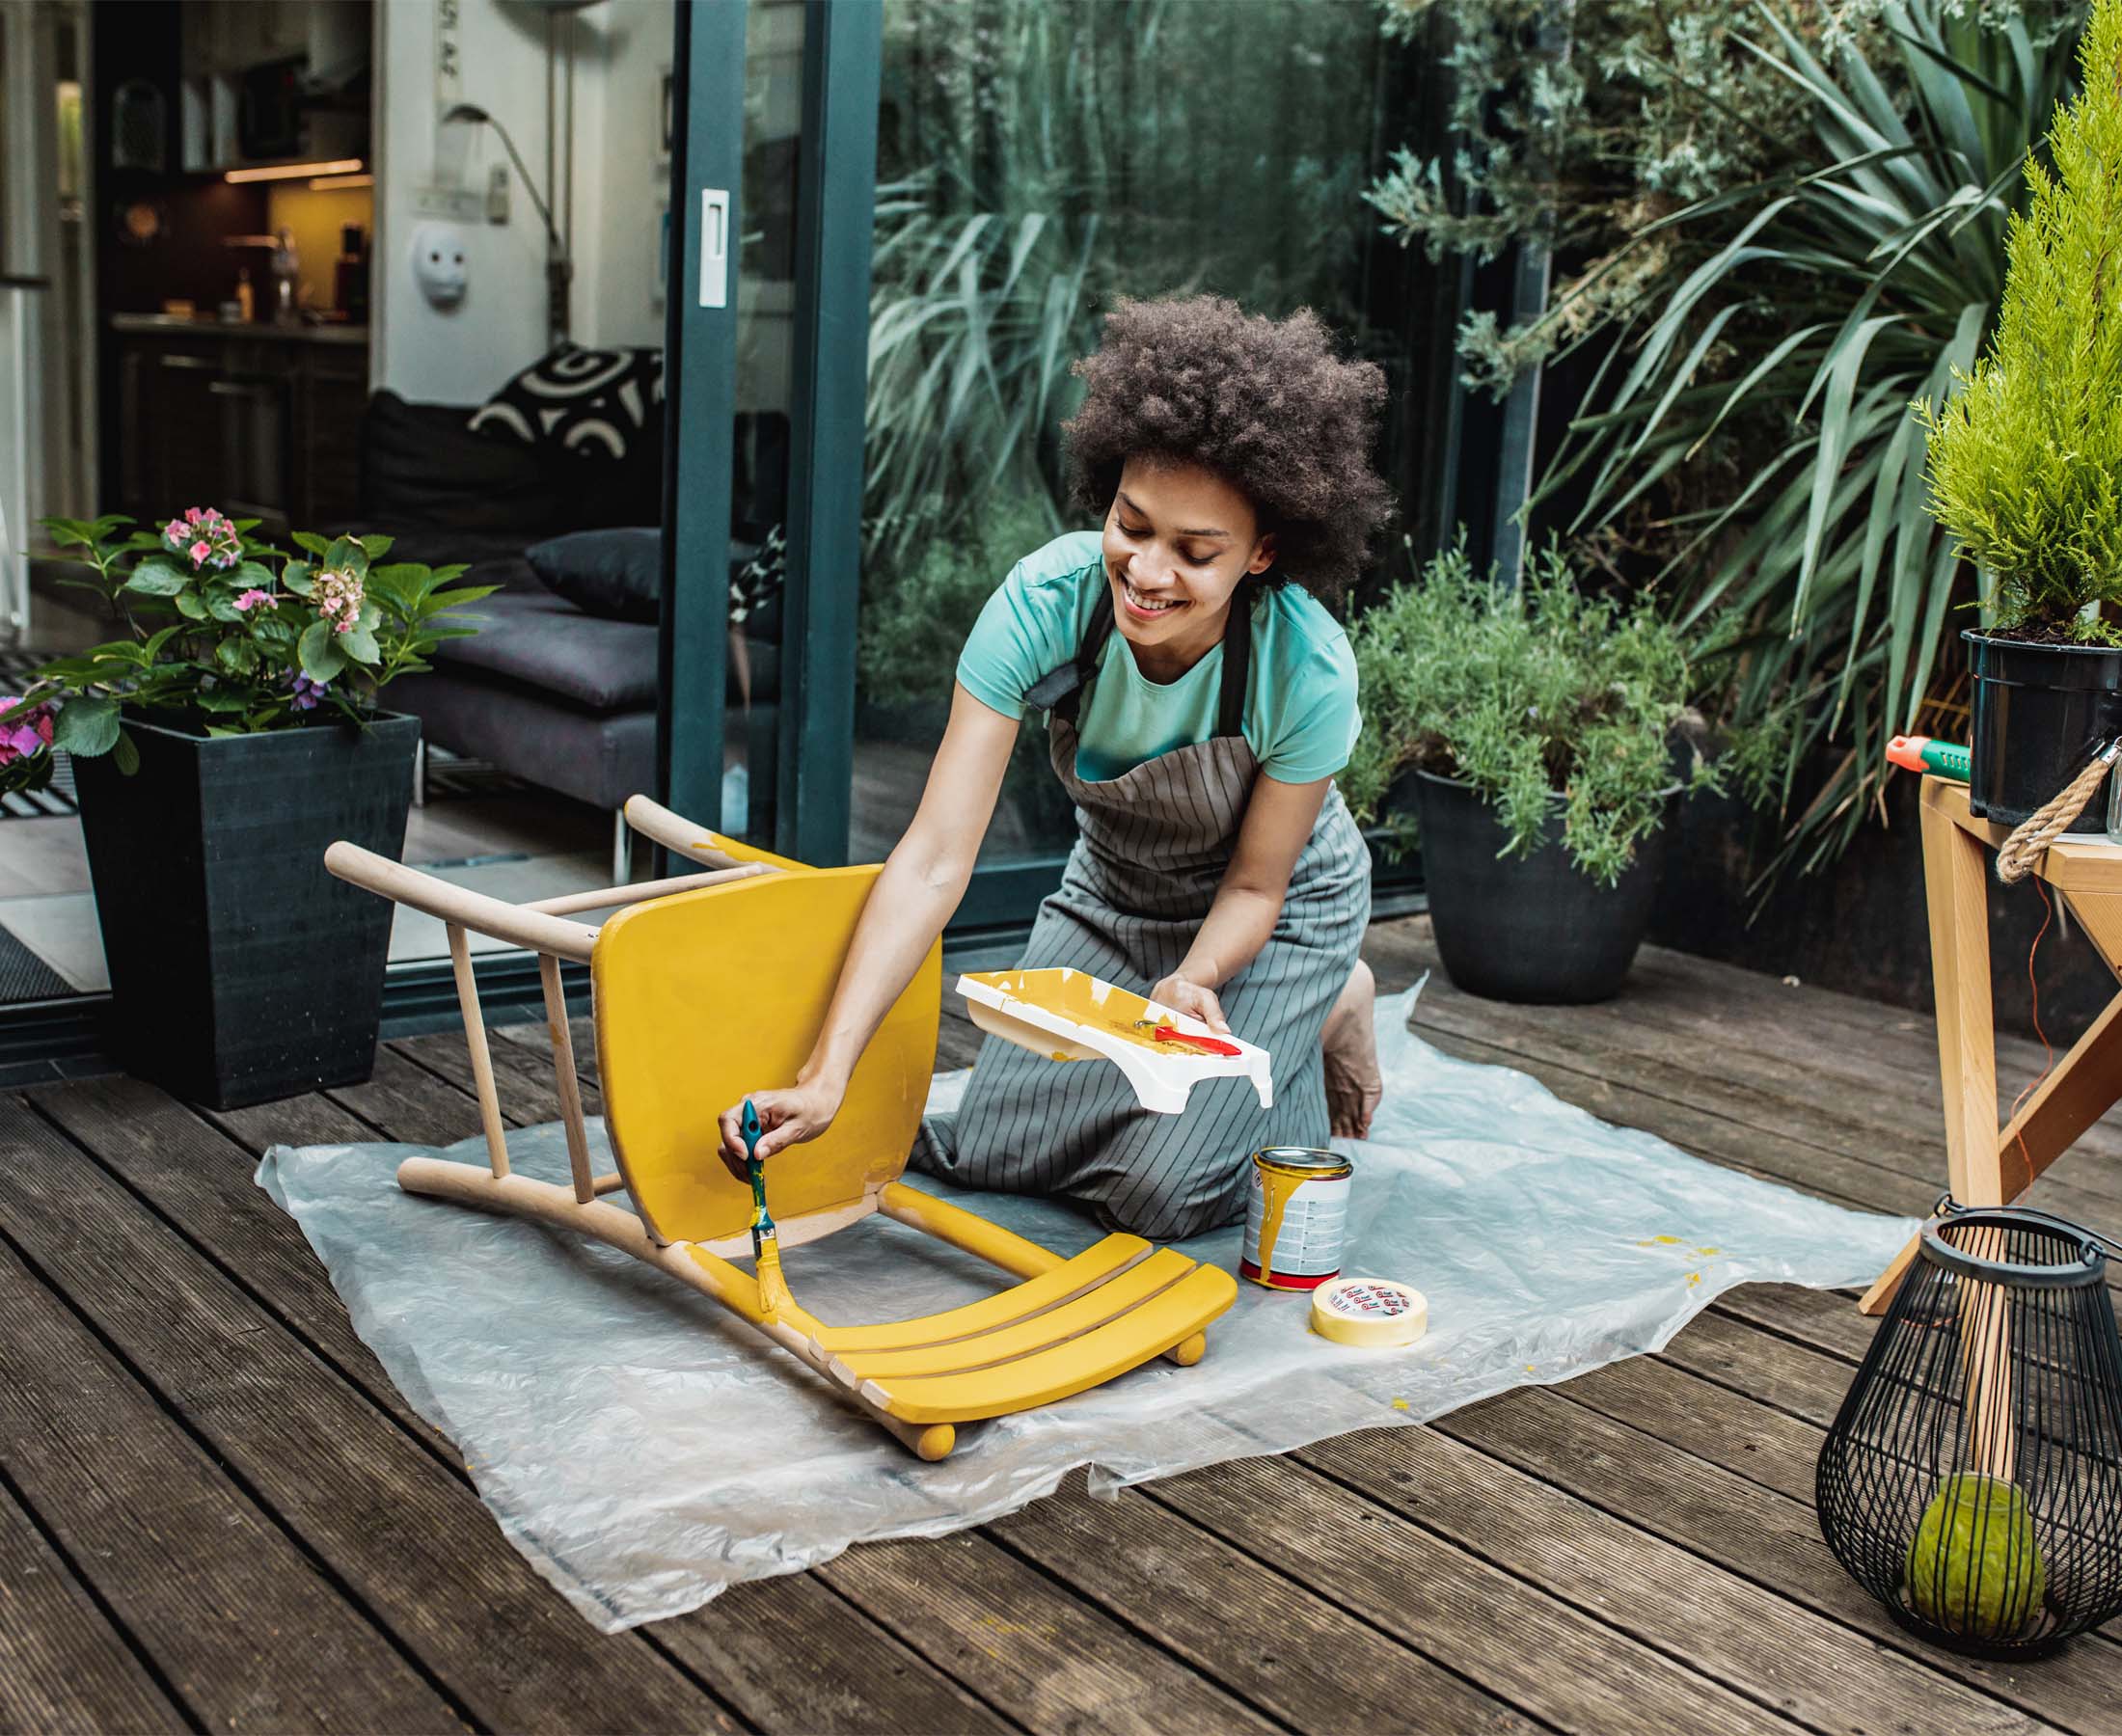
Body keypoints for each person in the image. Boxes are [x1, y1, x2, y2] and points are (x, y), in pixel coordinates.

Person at [718, 295, 1393, 1239]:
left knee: (1164, 1193)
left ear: (1262, 553)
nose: (1148, 573)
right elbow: (933, 860)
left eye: (1195, 552)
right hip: (1114, 894)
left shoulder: (1304, 668)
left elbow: (1254, 882)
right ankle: (1270, 1028)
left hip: (1270, 918)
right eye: (1133, 524)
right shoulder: (1045, 605)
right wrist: (827, 1073)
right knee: (994, 1152)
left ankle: (1328, 996)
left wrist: (1196, 980)